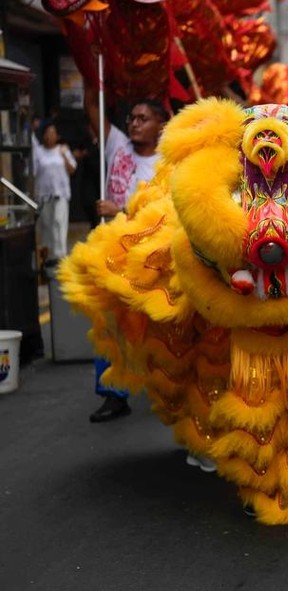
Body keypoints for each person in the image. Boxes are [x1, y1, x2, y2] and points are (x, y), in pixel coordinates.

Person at [83, 85, 169, 422]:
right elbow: (91, 103)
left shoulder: (168, 162)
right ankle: (113, 394)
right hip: (115, 255)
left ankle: (170, 392)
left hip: (154, 257)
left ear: (160, 125)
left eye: (143, 119)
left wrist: (120, 208)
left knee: (161, 330)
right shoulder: (118, 148)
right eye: (132, 118)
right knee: (109, 324)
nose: (134, 124)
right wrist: (94, 65)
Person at [32, 119, 77, 267]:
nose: (49, 136)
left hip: (60, 194)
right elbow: (33, 172)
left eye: (52, 133)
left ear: (57, 136)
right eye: (47, 133)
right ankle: (47, 256)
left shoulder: (63, 149)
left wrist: (64, 155)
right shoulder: (38, 151)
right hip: (44, 195)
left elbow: (72, 169)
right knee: (46, 224)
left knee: (59, 222)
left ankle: (60, 255)